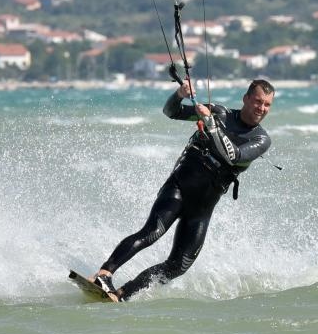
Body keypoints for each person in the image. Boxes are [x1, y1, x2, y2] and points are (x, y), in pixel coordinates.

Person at [91, 78, 275, 302]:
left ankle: (123, 294)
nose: (261, 108)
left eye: (267, 105)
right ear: (245, 99)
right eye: (257, 101)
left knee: (179, 265)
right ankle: (104, 275)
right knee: (152, 232)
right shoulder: (221, 113)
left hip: (204, 204)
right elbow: (171, 112)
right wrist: (180, 94)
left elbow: (234, 156)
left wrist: (211, 125)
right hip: (180, 186)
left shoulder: (261, 139)